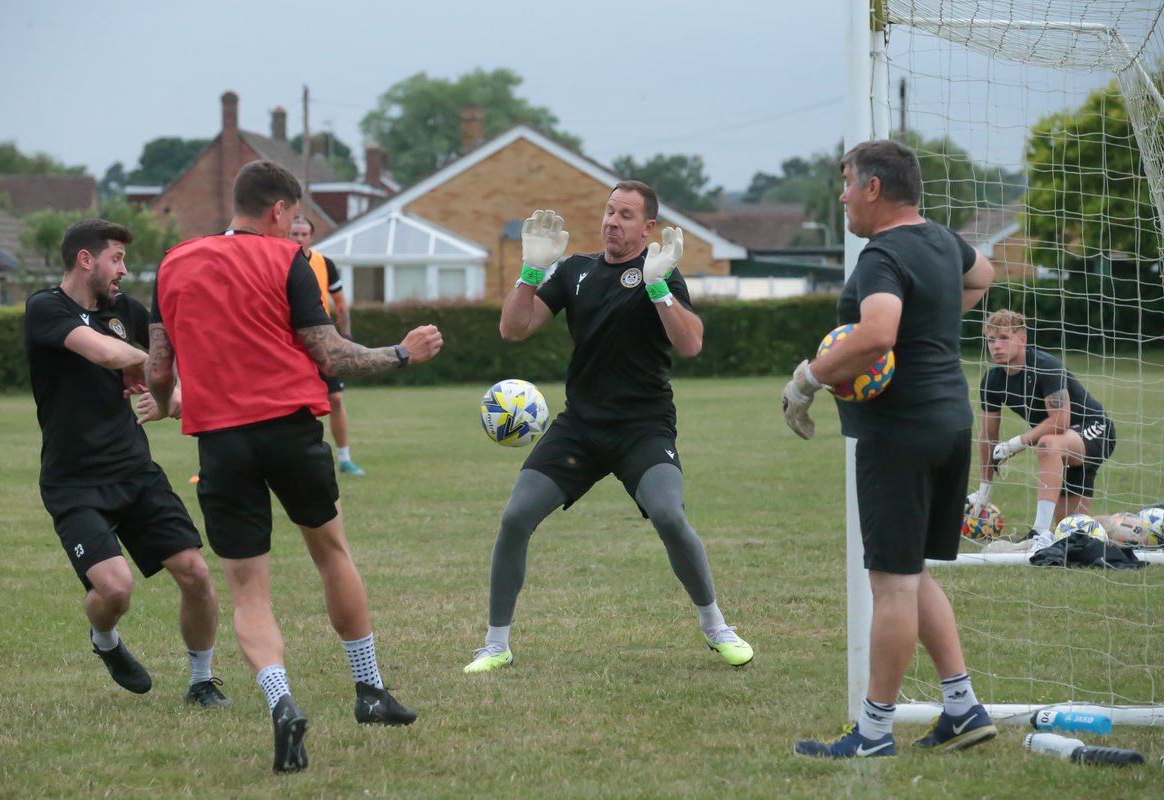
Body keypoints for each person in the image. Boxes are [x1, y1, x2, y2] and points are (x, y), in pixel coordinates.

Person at [147, 160, 443, 773]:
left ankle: (281, 701)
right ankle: (369, 691)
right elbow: (332, 352)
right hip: (290, 430)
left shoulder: (173, 264)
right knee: (331, 552)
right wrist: (402, 352)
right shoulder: (287, 261)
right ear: (281, 211)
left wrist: (172, 398)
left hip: (221, 444)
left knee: (249, 587)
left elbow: (157, 371)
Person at [463, 181, 754, 675]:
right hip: (580, 427)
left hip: (642, 428)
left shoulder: (660, 273)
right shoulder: (576, 270)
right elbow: (514, 329)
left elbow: (691, 345)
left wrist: (658, 285)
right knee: (515, 518)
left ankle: (715, 626)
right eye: (608, 211)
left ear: (648, 228)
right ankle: (496, 644)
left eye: (624, 215)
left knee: (668, 514)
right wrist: (531, 272)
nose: (611, 222)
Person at [781, 140, 997, 758]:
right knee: (911, 573)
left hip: (900, 434)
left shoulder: (882, 254)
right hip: (949, 422)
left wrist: (808, 381)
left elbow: (876, 335)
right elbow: (982, 275)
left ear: (874, 188)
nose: (843, 195)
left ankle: (874, 732)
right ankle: (962, 709)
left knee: (892, 585)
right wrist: (934, 320)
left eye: (846, 182)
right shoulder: (940, 241)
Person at [24, 218, 230, 708]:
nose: (123, 268)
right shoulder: (46, 308)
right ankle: (105, 641)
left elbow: (171, 360)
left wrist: (169, 391)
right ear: (85, 259)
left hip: (135, 472)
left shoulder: (127, 311)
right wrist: (144, 364)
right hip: (73, 481)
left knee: (196, 573)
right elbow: (99, 349)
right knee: (115, 591)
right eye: (116, 258)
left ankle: (202, 681)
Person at [966, 309, 1115, 548]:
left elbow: (1060, 420)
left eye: (1004, 338)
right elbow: (988, 436)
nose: (996, 346)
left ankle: (1038, 533)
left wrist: (1016, 443)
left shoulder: (1046, 366)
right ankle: (1130, 525)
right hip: (1062, 445)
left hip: (1095, 429)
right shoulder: (992, 380)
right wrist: (985, 486)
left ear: (1022, 339)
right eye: (991, 340)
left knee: (1047, 444)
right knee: (1071, 531)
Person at [288, 215, 364, 476]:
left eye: (303, 234)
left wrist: (346, 335)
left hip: (322, 341)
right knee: (294, 403)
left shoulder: (324, 263)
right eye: (294, 233)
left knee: (335, 398)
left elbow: (341, 304)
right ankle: (295, 459)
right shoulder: (280, 261)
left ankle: (344, 458)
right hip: (290, 345)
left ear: (311, 236)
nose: (298, 238)